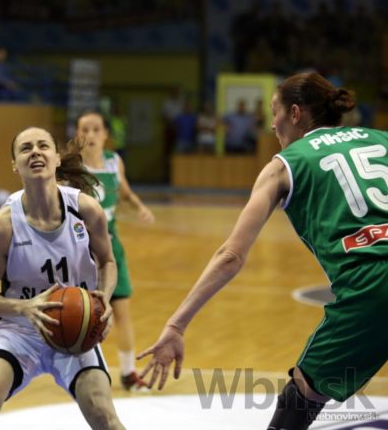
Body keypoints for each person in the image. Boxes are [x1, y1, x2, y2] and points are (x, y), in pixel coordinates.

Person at [138, 72, 388, 430]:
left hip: (372, 286)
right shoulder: (382, 139)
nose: (272, 125)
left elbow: (231, 255)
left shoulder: (284, 165)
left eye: (275, 112)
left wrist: (176, 325)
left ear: (296, 114)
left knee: (301, 395)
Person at [0, 127, 126, 430]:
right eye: (25, 148)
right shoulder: (2, 225)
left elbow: (107, 262)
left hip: (76, 329)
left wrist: (103, 298)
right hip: (19, 332)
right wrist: (25, 308)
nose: (35, 152)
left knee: (104, 414)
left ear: (55, 159)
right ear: (15, 164)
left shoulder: (86, 210)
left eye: (43, 146)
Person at [75, 111, 155, 392]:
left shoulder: (113, 162)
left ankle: (128, 372)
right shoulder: (71, 168)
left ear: (106, 134)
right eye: (85, 129)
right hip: (79, 249)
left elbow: (125, 193)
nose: (91, 134)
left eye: (96, 129)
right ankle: (76, 372)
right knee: (79, 314)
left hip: (111, 247)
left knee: (121, 311)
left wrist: (140, 207)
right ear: (77, 134)